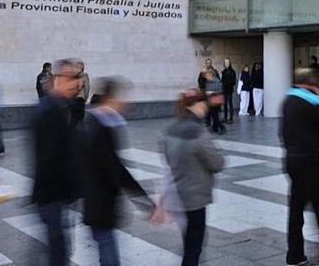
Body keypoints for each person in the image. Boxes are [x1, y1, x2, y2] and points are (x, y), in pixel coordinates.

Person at [83, 77, 152, 266]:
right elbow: (115, 170)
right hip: (99, 205)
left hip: (101, 205)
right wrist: (145, 202)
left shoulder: (102, 123)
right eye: (123, 97)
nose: (126, 102)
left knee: (106, 251)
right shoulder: (100, 127)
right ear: (111, 99)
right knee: (109, 257)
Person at [280, 68, 319, 266]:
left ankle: (295, 254)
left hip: (293, 160)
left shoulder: (288, 101)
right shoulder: (311, 102)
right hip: (312, 162)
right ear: (312, 84)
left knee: (296, 209)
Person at [160, 89, 225, 266]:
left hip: (176, 194)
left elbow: (166, 158)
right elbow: (217, 163)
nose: (205, 106)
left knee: (188, 242)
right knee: (194, 246)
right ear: (195, 105)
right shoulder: (197, 132)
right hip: (195, 196)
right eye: (203, 102)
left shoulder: (170, 129)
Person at [32, 58, 82, 266]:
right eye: (72, 78)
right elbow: (49, 158)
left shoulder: (67, 106)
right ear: (58, 80)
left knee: (59, 244)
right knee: (57, 246)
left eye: (78, 77)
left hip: (61, 192)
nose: (77, 83)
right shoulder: (47, 111)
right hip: (51, 193)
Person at [202, 69, 225, 135]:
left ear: (211, 75)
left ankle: (222, 128)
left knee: (215, 116)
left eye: (207, 76)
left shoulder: (217, 81)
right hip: (210, 101)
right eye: (206, 76)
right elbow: (206, 90)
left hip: (216, 101)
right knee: (212, 116)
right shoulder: (207, 82)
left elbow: (220, 90)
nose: (206, 77)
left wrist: (212, 92)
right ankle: (215, 129)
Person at [72, 60, 90, 126]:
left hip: (79, 98)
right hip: (76, 99)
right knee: (76, 117)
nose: (75, 68)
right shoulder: (74, 76)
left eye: (77, 66)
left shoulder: (83, 76)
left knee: (78, 117)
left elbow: (87, 88)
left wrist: (85, 97)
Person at [220, 59, 237, 123]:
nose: (226, 63)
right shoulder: (223, 71)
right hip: (224, 89)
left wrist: (227, 83)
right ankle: (225, 117)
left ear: (230, 63)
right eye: (225, 62)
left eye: (227, 62)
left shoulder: (232, 71)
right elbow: (222, 80)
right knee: (224, 104)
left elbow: (233, 81)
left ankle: (231, 118)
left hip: (229, 89)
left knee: (230, 104)